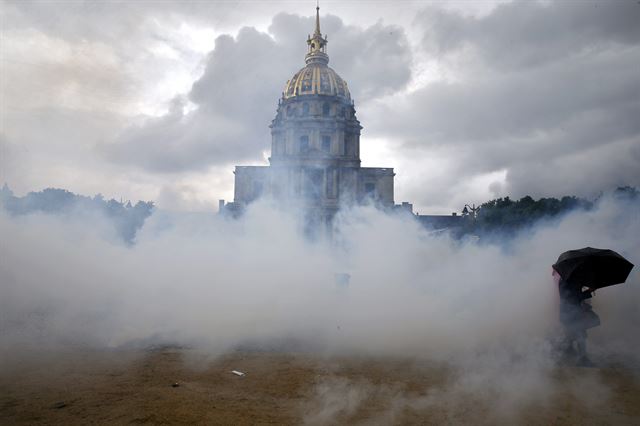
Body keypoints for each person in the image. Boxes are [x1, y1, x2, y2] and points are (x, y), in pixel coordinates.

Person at [553, 268, 598, 366]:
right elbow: (574, 297)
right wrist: (589, 291)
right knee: (580, 335)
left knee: (574, 334)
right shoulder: (567, 281)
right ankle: (582, 359)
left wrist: (585, 287)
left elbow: (575, 295)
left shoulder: (567, 279)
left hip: (570, 313)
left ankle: (566, 351)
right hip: (571, 313)